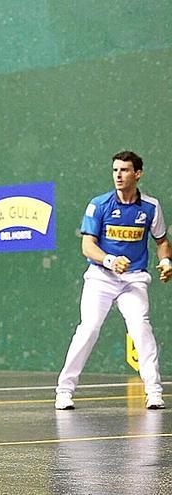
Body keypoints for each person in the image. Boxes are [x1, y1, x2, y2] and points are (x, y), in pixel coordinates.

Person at [55, 150, 172, 410]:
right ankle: (64, 391)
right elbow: (88, 246)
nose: (118, 175)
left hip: (134, 280)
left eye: (125, 170)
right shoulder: (99, 204)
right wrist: (109, 260)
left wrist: (165, 261)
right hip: (101, 278)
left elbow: (162, 241)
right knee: (89, 328)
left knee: (140, 327)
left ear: (137, 174)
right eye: (115, 170)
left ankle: (153, 391)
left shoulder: (151, 208)